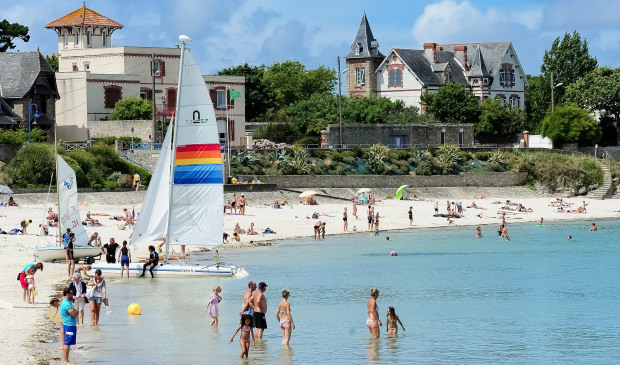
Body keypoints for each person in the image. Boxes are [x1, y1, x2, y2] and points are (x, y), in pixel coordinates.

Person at [60, 287, 79, 365]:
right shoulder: (67, 304)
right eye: (71, 294)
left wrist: (75, 312)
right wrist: (76, 312)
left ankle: (66, 360)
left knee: (67, 343)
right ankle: (66, 361)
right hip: (69, 325)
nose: (73, 295)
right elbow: (74, 314)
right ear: (67, 294)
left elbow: (73, 313)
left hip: (67, 324)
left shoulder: (65, 302)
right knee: (67, 343)